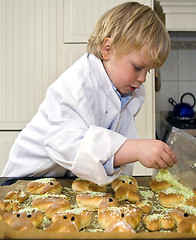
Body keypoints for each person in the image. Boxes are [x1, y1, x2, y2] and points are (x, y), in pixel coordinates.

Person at [1, 2, 177, 186]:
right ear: (107, 49)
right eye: (138, 67)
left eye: (147, 70)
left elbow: (120, 138)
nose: (143, 79)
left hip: (65, 181)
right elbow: (72, 147)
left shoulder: (130, 91)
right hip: (24, 180)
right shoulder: (77, 86)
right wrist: (137, 149)